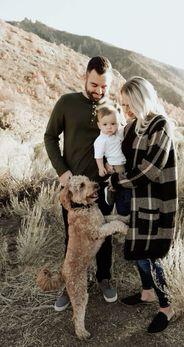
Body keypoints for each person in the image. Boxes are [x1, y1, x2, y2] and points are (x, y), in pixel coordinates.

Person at [44, 56, 118, 311]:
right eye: (95, 84)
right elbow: (50, 137)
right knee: (72, 239)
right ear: (85, 76)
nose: (99, 91)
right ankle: (71, 283)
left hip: (102, 189)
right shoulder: (67, 103)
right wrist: (62, 172)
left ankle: (104, 277)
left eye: (104, 86)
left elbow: (117, 142)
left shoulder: (111, 109)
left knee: (105, 236)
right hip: (74, 192)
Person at [108, 76, 178, 333]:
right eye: (122, 105)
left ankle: (166, 308)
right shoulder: (131, 126)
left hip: (153, 202)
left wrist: (117, 179)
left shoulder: (161, 125)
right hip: (133, 201)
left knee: (152, 256)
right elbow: (121, 157)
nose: (125, 110)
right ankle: (147, 292)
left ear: (143, 100)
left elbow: (149, 170)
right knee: (139, 253)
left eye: (129, 104)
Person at [94, 104, 126, 177]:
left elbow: (123, 127)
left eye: (113, 123)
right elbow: (98, 156)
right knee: (122, 178)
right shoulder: (101, 140)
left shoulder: (118, 132)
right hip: (115, 164)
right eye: (105, 124)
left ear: (117, 123)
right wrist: (101, 168)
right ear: (99, 125)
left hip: (124, 161)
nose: (109, 127)